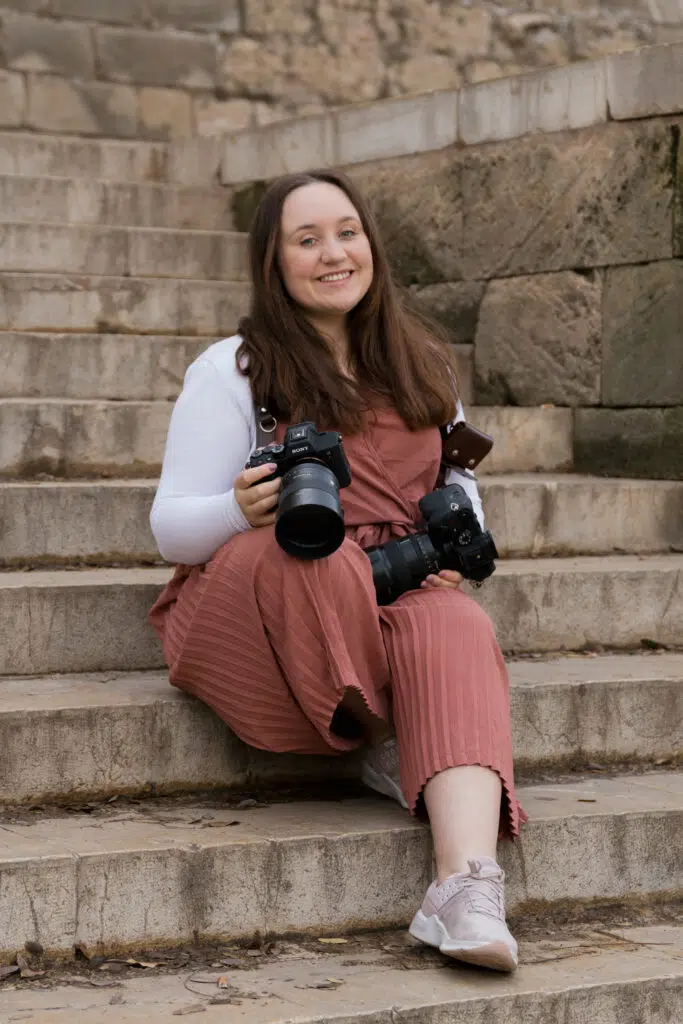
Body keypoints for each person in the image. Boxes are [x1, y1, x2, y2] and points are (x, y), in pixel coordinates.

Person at [149, 169, 527, 973]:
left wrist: (459, 545)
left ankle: (463, 891)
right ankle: (397, 734)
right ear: (273, 263)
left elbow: (460, 480)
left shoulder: (421, 361)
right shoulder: (235, 369)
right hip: (264, 607)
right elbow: (170, 528)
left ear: (371, 245)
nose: (333, 253)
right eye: (307, 238)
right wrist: (237, 510)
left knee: (455, 620)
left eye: (347, 232)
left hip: (392, 587)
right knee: (303, 554)